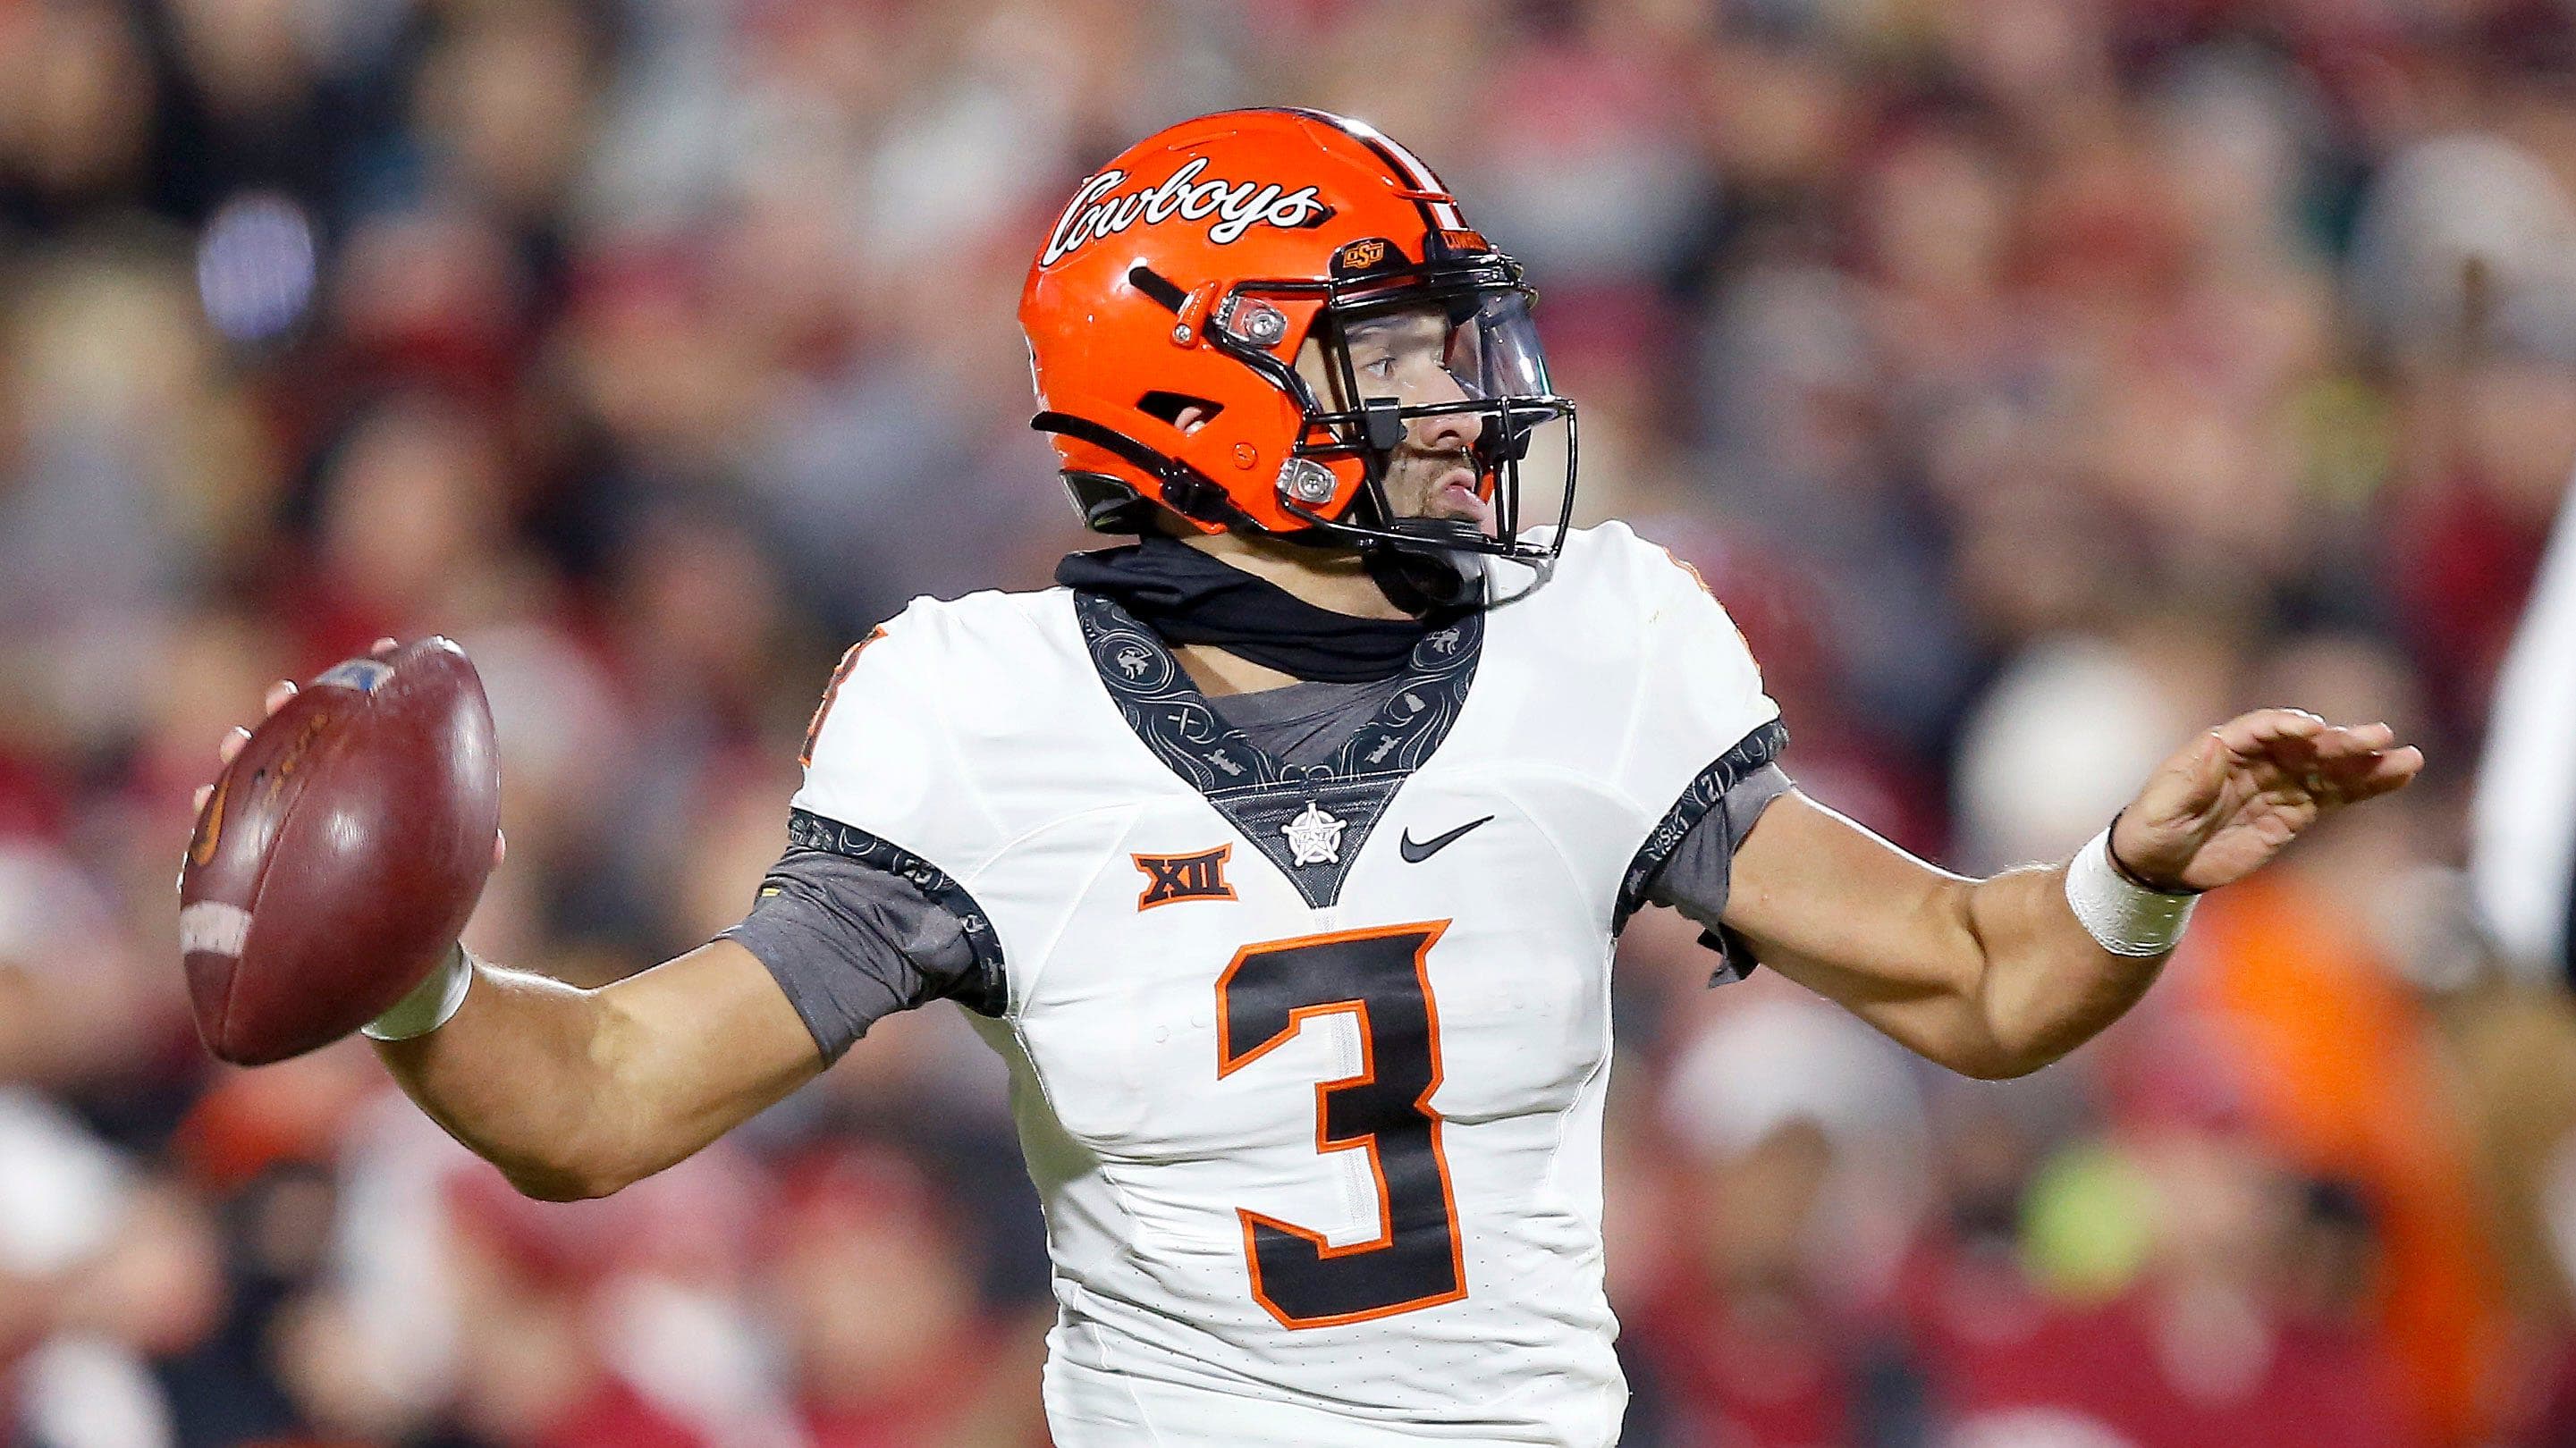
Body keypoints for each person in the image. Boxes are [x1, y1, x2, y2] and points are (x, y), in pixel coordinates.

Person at [193, 109, 2422, 1446]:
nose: (1469, 397)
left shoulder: (1598, 641)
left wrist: (2137, 868)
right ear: (1202, 392)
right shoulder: (980, 714)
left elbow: (1979, 983)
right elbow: (595, 1108)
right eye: (1398, 350)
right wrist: (409, 981)